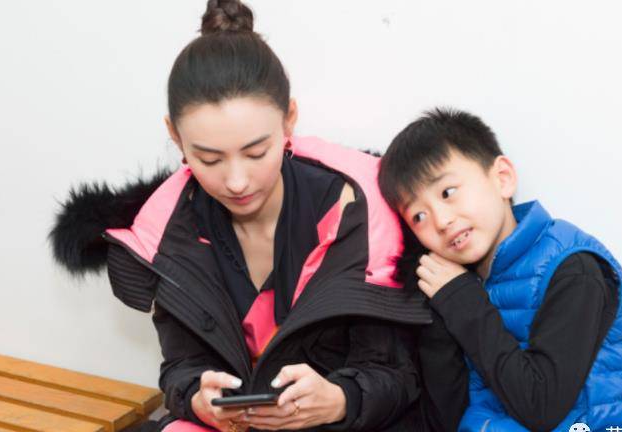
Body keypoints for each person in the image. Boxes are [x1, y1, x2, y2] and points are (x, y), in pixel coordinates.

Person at [49, 1, 430, 431]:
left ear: (289, 120)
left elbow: (397, 376)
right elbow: (180, 369)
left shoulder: (358, 217)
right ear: (174, 136)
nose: (236, 181)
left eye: (256, 152)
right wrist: (198, 400)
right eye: (208, 159)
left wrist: (340, 400)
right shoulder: (168, 231)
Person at [377, 108, 622, 431]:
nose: (442, 221)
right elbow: (444, 420)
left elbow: (541, 406)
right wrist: (441, 313)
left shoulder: (573, 268)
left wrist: (461, 301)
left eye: (448, 193)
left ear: (502, 179)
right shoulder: (459, 283)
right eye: (419, 216)